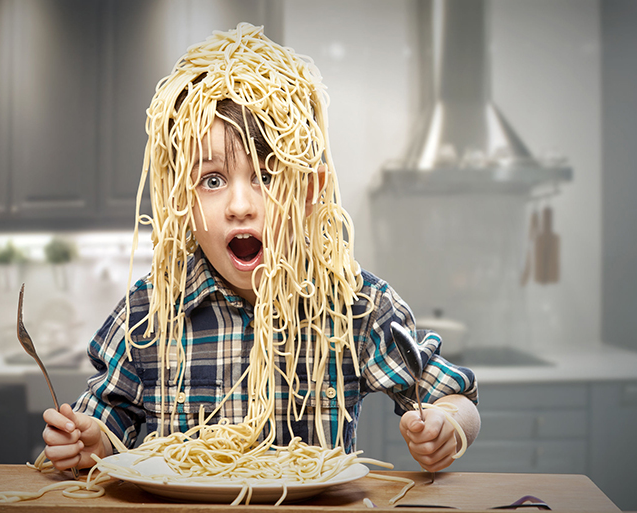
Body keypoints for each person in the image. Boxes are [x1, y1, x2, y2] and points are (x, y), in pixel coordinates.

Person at [42, 23, 479, 476]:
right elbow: (102, 427)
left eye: (267, 177)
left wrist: (447, 425)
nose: (239, 206)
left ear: (310, 190)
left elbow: (453, 396)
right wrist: (89, 442)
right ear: (181, 201)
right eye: (212, 180)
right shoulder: (149, 313)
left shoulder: (355, 306)